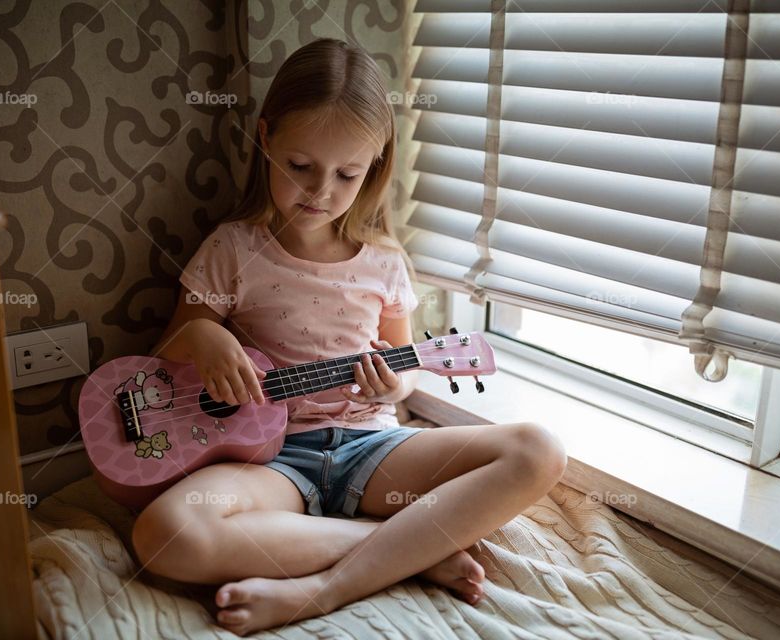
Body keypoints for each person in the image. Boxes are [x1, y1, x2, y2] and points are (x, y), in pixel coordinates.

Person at [130, 37, 567, 635]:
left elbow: (407, 366)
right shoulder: (233, 248)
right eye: (301, 166)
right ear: (266, 139)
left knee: (538, 450)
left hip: (372, 450)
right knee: (166, 534)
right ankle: (401, 544)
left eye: (347, 174)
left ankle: (321, 589)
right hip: (270, 461)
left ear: (374, 167)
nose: (320, 192)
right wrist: (204, 337)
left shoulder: (384, 263)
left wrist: (395, 386)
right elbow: (162, 358)